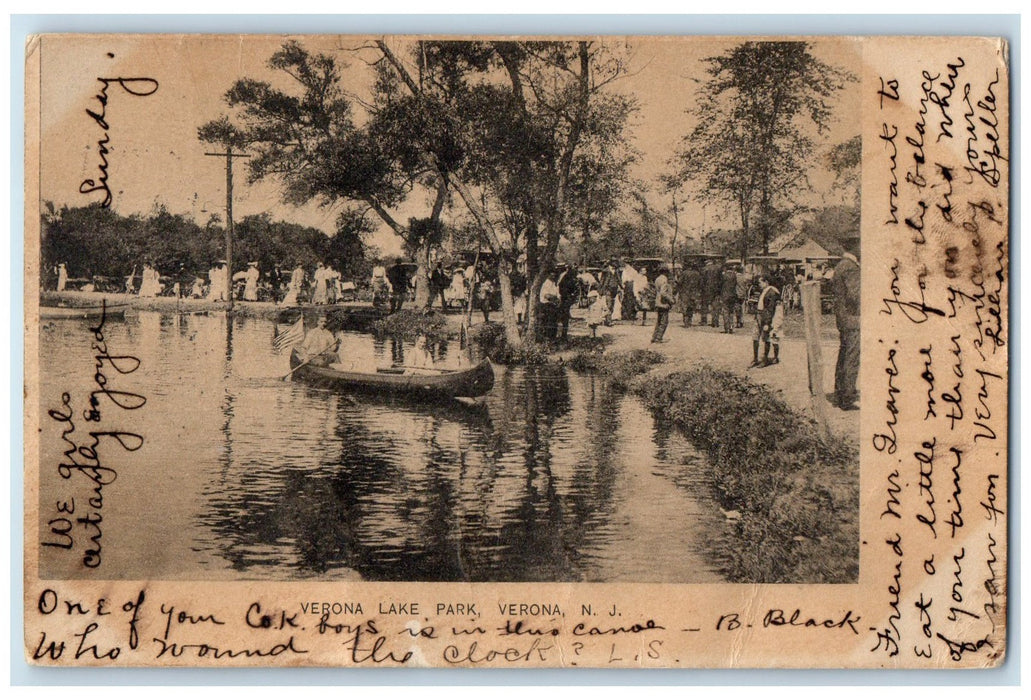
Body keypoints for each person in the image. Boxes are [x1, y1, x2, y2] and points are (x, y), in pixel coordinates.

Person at [832, 239, 861, 410]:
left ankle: (840, 392)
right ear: (854, 247)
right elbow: (855, 296)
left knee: (843, 356)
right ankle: (848, 397)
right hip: (853, 319)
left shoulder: (841, 265)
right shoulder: (851, 267)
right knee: (852, 357)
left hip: (843, 319)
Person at [749, 274, 781, 368]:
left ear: (766, 282)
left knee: (766, 338)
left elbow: (770, 309)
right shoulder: (764, 291)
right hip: (759, 315)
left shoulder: (771, 292)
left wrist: (767, 323)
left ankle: (765, 359)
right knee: (755, 337)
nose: (759, 284)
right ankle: (755, 359)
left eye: (760, 282)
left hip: (765, 317)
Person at [651, 265, 673, 343]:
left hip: (658, 301)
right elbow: (663, 293)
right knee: (664, 321)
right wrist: (671, 300)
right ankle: (658, 338)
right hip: (663, 302)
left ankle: (654, 337)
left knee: (659, 321)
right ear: (666, 272)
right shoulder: (664, 280)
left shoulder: (657, 279)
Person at [558, 263, 579, 340]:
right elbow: (562, 288)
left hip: (566, 298)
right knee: (563, 317)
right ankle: (562, 335)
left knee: (564, 317)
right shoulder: (566, 277)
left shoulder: (568, 277)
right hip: (564, 298)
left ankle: (564, 334)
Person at [540, 268, 561, 340]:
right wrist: (555, 297)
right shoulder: (546, 284)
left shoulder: (554, 284)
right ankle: (548, 338)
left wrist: (557, 299)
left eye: (554, 275)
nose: (553, 276)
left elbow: (558, 294)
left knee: (554, 322)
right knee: (549, 322)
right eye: (552, 275)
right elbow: (547, 296)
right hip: (547, 305)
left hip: (554, 304)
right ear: (548, 275)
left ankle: (553, 338)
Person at [678, 263, 701, 327]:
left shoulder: (684, 273)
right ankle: (690, 321)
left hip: (685, 293)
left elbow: (679, 282)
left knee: (685, 307)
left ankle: (686, 322)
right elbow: (700, 283)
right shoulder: (697, 274)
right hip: (694, 293)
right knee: (691, 307)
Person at [720, 262, 739, 334]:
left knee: (725, 311)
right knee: (731, 311)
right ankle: (731, 326)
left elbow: (720, 285)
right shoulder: (734, 275)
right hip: (733, 295)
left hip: (725, 295)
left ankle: (726, 328)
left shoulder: (724, 276)